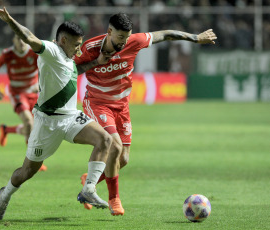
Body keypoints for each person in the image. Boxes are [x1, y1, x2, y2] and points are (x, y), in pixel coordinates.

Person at [74, 13, 217, 216]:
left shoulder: (134, 41)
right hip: (98, 103)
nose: (124, 42)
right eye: (120, 37)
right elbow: (72, 69)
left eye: (127, 37)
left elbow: (166, 34)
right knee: (113, 144)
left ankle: (90, 179)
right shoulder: (89, 48)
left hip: (122, 106)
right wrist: (96, 62)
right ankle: (114, 199)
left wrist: (195, 38)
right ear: (109, 32)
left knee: (122, 159)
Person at [0, 7, 114, 220]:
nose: (78, 50)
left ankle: (89, 189)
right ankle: (6, 193)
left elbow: (74, 71)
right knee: (27, 171)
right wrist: (10, 20)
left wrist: (95, 63)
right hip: (47, 123)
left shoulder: (67, 57)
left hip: (71, 117)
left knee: (104, 139)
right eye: (76, 45)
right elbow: (29, 37)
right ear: (63, 40)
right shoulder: (51, 50)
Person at [0, 34, 47, 172]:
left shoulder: (34, 52)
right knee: (29, 122)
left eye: (23, 39)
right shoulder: (7, 54)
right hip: (17, 94)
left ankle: (6, 130)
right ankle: (32, 162)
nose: (21, 41)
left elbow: (46, 67)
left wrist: (40, 84)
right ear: (13, 40)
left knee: (35, 128)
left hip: (33, 94)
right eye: (18, 38)